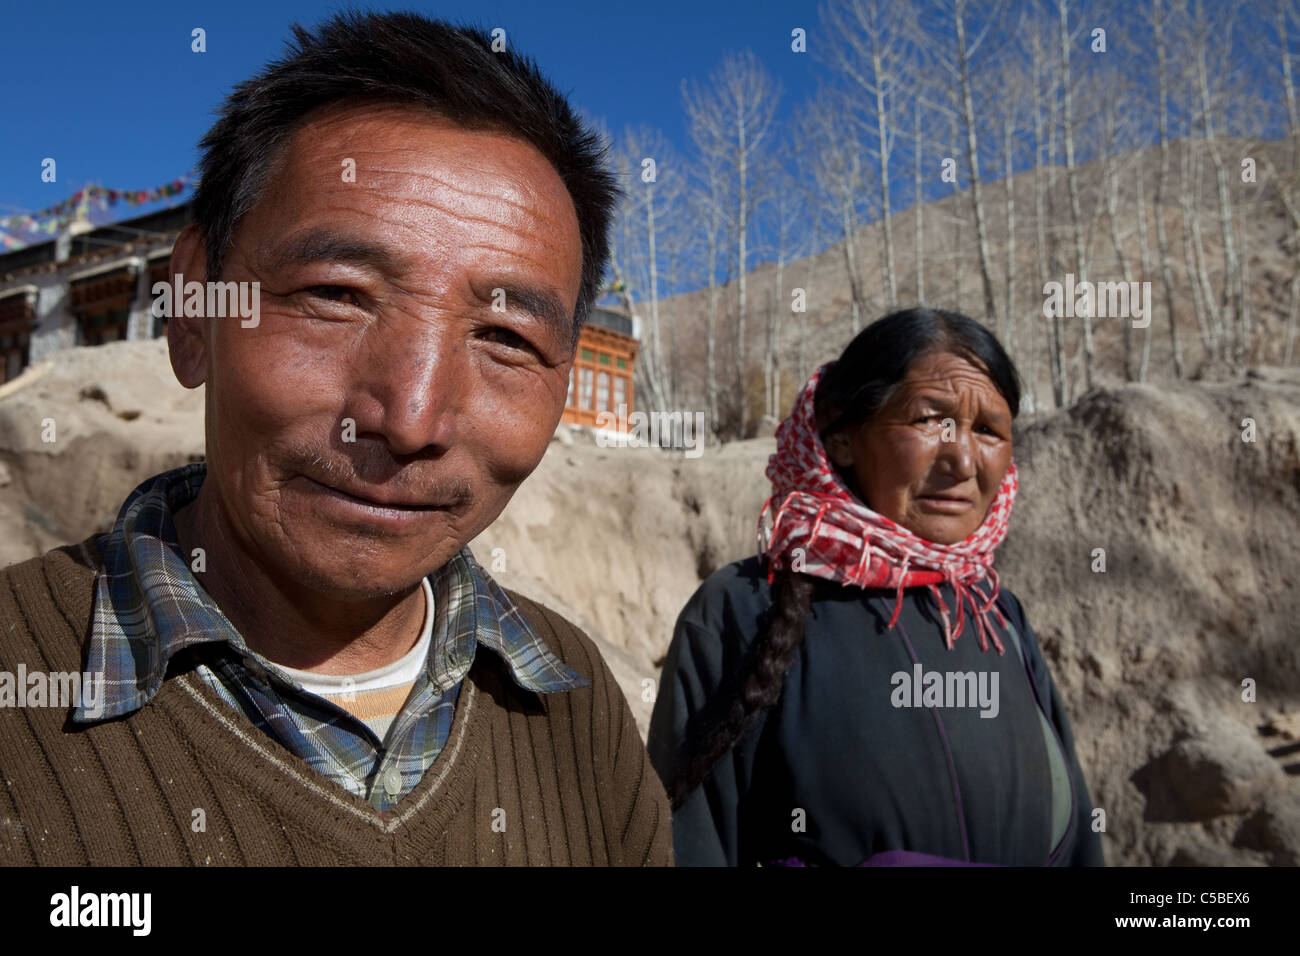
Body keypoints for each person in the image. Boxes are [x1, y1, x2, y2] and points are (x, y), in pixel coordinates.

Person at [0, 11, 671, 866]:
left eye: (506, 339)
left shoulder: (574, 709)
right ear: (193, 311)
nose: (412, 418)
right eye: (338, 296)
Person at [647, 307, 1104, 867]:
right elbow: (687, 843)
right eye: (929, 420)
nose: (961, 458)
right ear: (841, 437)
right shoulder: (741, 609)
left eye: (988, 430)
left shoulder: (996, 615)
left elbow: (1080, 840)